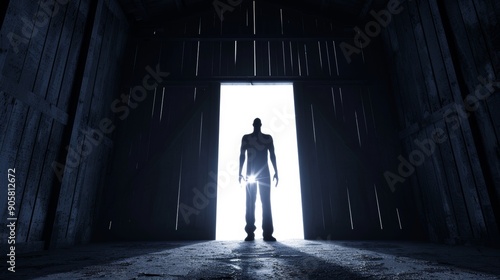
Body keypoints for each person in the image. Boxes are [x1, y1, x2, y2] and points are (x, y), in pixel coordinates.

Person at [238, 118, 279, 241]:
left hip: (262, 175)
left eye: (257, 125)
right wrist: (239, 173)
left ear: (259, 126)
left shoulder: (266, 138)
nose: (256, 127)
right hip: (253, 175)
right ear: (256, 125)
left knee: (264, 202)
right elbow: (242, 156)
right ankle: (252, 232)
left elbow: (272, 155)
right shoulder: (248, 138)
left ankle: (266, 233)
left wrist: (277, 172)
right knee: (252, 203)